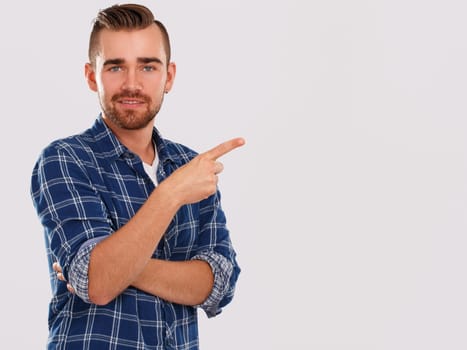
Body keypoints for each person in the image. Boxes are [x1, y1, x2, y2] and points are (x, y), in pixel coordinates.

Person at [30, 3, 244, 349]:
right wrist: (171, 194)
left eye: (147, 66)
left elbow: (219, 284)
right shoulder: (65, 160)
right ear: (91, 76)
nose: (132, 84)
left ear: (168, 76)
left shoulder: (189, 166)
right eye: (115, 67)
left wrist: (120, 267)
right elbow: (97, 284)